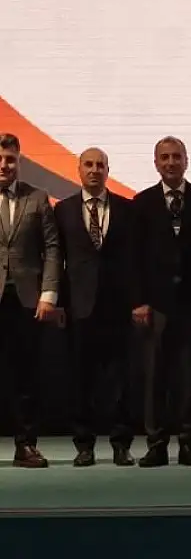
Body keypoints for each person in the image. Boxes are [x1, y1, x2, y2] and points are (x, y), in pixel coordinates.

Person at [55, 148, 136, 466]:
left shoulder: (126, 208)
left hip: (118, 307)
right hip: (79, 307)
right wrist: (59, 302)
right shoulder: (62, 210)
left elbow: (136, 259)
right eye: (88, 164)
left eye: (100, 165)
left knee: (121, 380)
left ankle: (121, 444)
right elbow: (56, 259)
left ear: (107, 171)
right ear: (79, 170)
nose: (94, 170)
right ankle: (84, 446)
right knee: (80, 380)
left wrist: (137, 301)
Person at [131, 136, 191, 467]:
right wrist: (139, 301)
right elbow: (133, 258)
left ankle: (188, 444)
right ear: (156, 163)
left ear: (186, 161)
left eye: (177, 157)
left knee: (190, 379)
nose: (171, 163)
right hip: (156, 305)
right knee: (154, 379)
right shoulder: (142, 202)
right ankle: (157, 444)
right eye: (165, 157)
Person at [0, 133, 60, 468]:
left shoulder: (37, 197)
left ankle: (26, 446)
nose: (4, 165)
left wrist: (48, 294)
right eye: (0, 159)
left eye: (10, 159)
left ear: (19, 161)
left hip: (26, 300)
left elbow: (52, 248)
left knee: (25, 377)